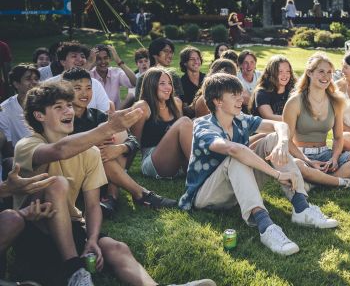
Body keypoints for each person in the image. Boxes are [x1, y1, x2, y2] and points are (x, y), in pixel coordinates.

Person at [13, 82, 213, 286]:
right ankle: (74, 271)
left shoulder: (89, 152)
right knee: (57, 183)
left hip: (70, 224)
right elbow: (59, 150)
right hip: (34, 229)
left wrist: (91, 238)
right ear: (39, 116)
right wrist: (109, 127)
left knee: (117, 248)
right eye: (59, 107)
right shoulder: (28, 145)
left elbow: (92, 205)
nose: (69, 111)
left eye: (69, 105)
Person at [179, 73, 339, 255]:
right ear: (218, 101)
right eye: (234, 95)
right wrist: (277, 174)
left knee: (271, 139)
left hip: (235, 188)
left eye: (240, 93)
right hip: (206, 196)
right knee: (235, 156)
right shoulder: (203, 126)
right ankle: (266, 227)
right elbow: (234, 150)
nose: (241, 99)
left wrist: (281, 144)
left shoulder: (240, 119)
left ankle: (301, 207)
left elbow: (281, 126)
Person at [63, 67, 177, 216]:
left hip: (102, 176)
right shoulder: (62, 118)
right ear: (65, 91)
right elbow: (62, 149)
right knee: (96, 150)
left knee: (119, 133)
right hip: (74, 176)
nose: (85, 93)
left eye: (88, 88)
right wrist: (91, 144)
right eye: (77, 88)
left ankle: (112, 196)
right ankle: (140, 194)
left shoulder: (97, 116)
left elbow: (133, 141)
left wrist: (120, 148)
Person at [283, 53, 350, 188]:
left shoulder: (336, 101)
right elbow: (287, 141)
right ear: (309, 73)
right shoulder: (294, 102)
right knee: (298, 165)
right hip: (301, 155)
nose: (326, 76)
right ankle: (342, 182)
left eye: (329, 72)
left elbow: (338, 137)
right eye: (321, 72)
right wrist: (308, 161)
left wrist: (335, 158)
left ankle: (318, 181)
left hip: (325, 154)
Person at [131, 67, 194, 179]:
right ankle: (199, 170)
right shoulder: (143, 107)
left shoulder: (176, 103)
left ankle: (199, 168)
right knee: (184, 122)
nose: (168, 87)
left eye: (169, 83)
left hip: (175, 161)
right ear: (151, 85)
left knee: (192, 124)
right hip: (152, 161)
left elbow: (182, 136)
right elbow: (134, 142)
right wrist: (124, 169)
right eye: (162, 83)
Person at [45, 41, 111, 112]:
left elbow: (106, 112)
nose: (80, 60)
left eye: (82, 56)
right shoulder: (50, 85)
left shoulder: (95, 84)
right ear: (63, 62)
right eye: (74, 56)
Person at [90, 44, 137, 110]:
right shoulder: (90, 74)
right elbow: (78, 78)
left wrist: (119, 61)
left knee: (131, 96)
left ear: (109, 59)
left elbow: (135, 82)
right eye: (99, 59)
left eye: (105, 58)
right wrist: (90, 63)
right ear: (94, 60)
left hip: (115, 114)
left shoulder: (115, 73)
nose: (103, 62)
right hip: (97, 116)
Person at [250, 55, 296, 120]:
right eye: (280, 71)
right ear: (272, 73)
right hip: (266, 129)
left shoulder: (293, 90)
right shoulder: (262, 92)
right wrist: (294, 120)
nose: (285, 75)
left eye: (288, 71)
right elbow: (269, 117)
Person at [179, 46, 205, 118]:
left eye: (198, 58)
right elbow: (185, 109)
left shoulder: (207, 79)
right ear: (185, 63)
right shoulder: (181, 82)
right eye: (192, 59)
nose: (196, 61)